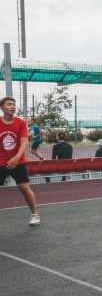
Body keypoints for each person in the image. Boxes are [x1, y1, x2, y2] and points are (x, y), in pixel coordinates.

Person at [0, 96, 41, 226]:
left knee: (24, 187)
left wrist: (17, 157)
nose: (12, 106)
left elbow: (24, 141)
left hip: (18, 160)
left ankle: (34, 215)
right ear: (1, 108)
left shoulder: (21, 123)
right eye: (9, 104)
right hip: (1, 162)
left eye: (14, 104)